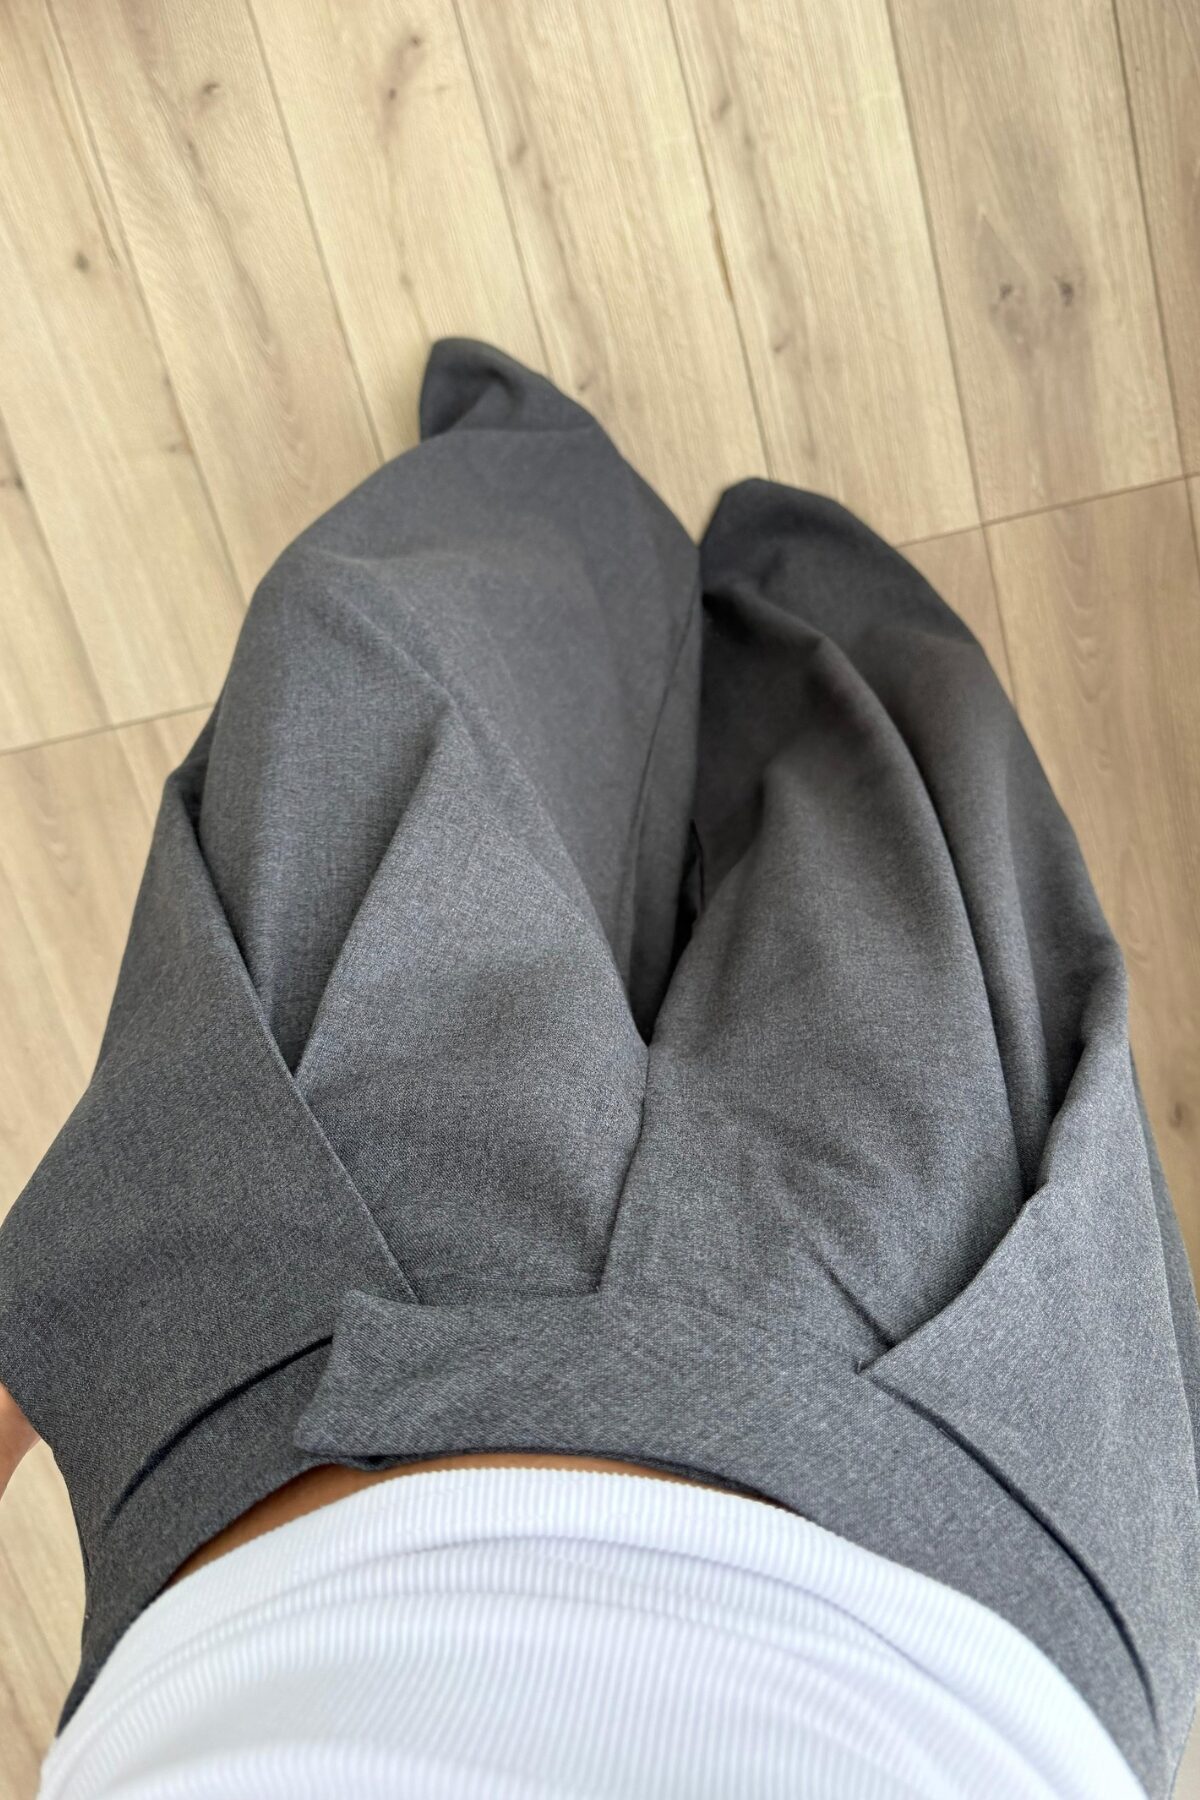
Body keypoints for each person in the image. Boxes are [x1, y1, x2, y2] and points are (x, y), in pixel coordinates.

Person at [1, 340, 1197, 1799]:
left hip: (288, 1394)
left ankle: (554, 471)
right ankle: (776, 567)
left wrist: (94, 1307)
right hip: (964, 1555)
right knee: (904, 807)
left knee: (370, 662)